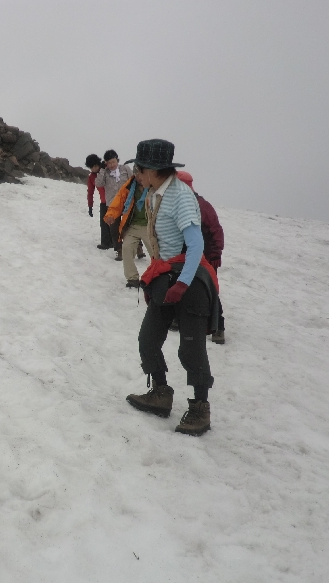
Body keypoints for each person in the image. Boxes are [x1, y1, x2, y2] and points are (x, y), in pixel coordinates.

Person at [125, 139, 220, 436]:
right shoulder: (155, 193)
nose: (137, 175)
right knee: (148, 339)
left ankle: (200, 408)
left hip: (189, 282)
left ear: (153, 170)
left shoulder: (180, 196)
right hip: (166, 277)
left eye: (139, 170)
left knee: (191, 350)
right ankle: (161, 393)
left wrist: (182, 284)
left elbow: (195, 245)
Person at [176, 171, 226, 344]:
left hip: (206, 256)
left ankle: (218, 327)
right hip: (183, 255)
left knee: (209, 290)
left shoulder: (202, 206)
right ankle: (177, 317)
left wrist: (216, 253)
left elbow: (216, 229)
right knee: (181, 284)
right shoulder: (178, 203)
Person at [103, 162, 152, 287]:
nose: (139, 177)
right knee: (126, 248)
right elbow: (118, 202)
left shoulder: (154, 187)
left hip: (150, 226)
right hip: (133, 225)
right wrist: (110, 215)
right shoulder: (129, 186)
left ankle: (158, 277)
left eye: (142, 174)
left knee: (156, 253)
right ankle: (132, 279)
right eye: (137, 174)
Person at [94, 149, 132, 261]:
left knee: (129, 226)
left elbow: (134, 181)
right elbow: (98, 184)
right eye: (109, 163)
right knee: (114, 229)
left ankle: (138, 248)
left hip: (127, 202)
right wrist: (102, 170)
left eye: (113, 162)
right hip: (112, 204)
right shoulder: (105, 172)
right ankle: (119, 250)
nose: (111, 165)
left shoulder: (125, 169)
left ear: (117, 160)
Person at [85, 154, 109, 249]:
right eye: (91, 167)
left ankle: (116, 243)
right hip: (104, 202)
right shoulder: (91, 177)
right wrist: (90, 206)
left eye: (95, 166)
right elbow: (90, 192)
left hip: (115, 200)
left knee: (115, 223)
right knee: (103, 223)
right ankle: (105, 243)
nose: (94, 168)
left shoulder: (107, 169)